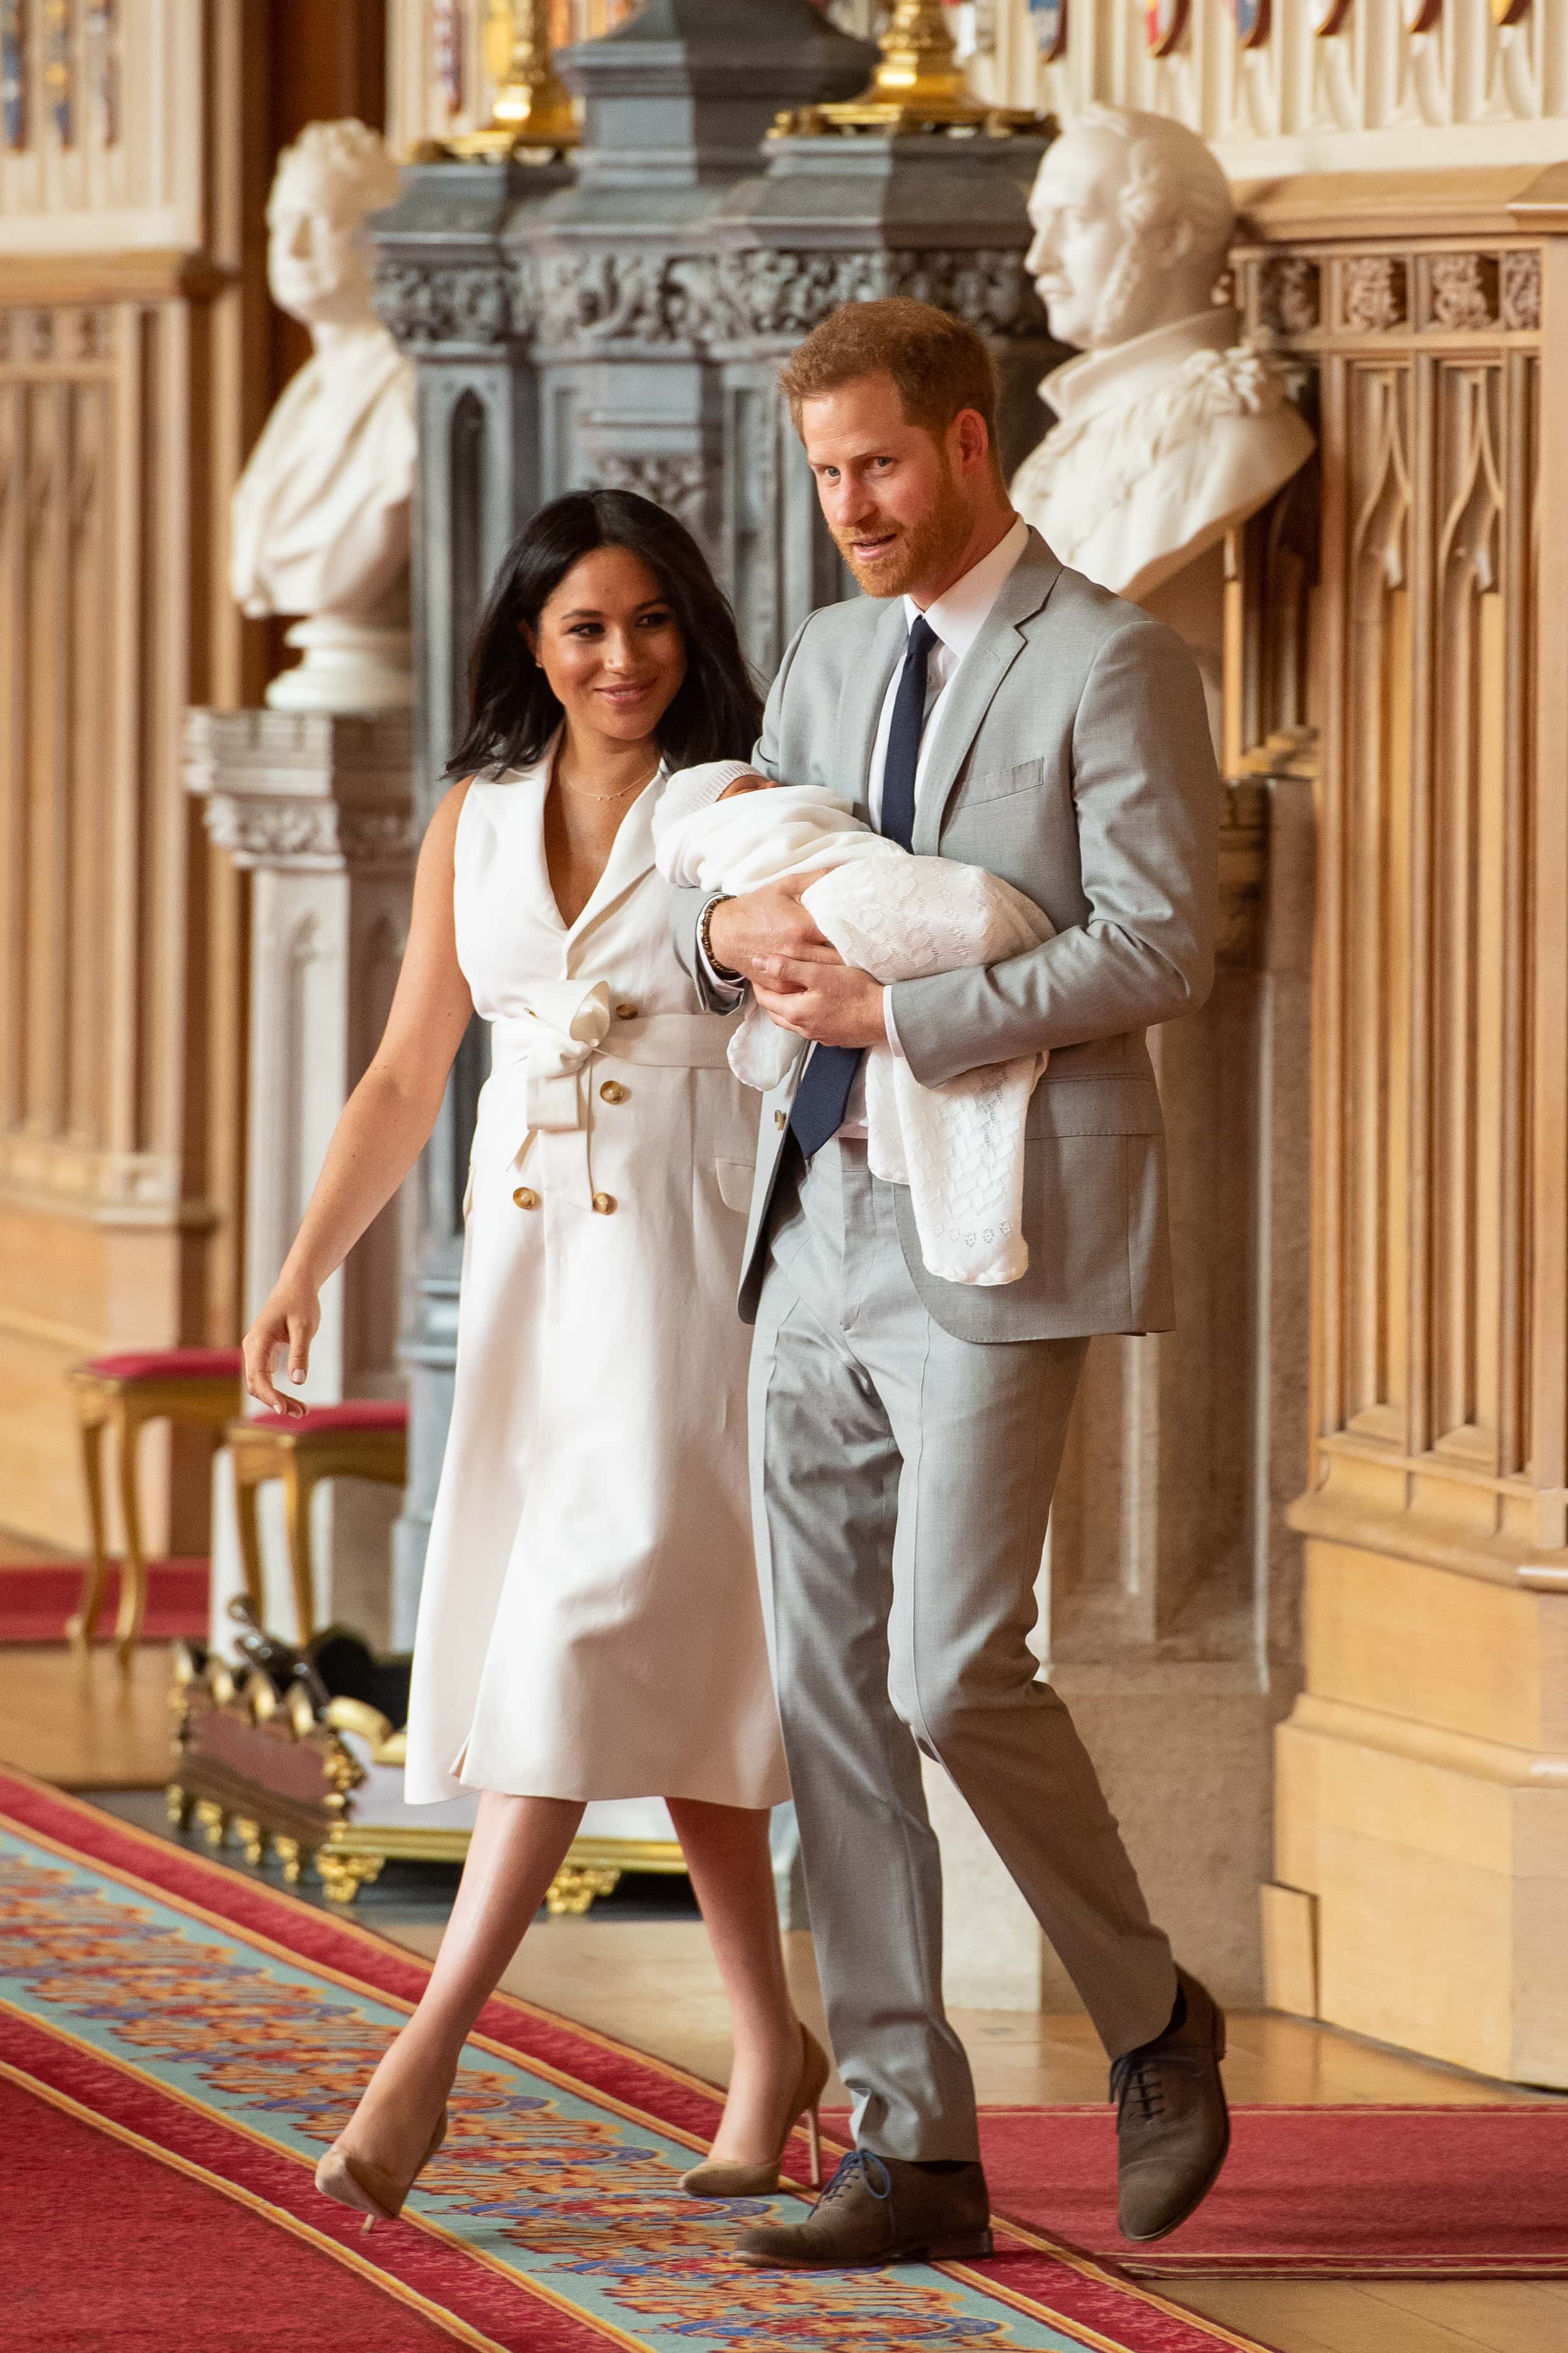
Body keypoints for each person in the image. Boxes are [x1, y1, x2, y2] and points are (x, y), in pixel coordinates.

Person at [674, 297, 1229, 2267]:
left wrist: (914, 1015)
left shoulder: (1116, 661)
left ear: (973, 444)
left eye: (882, 468)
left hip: (998, 1227)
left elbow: (1163, 947)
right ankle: (911, 2142)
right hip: (811, 1215)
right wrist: (723, 928)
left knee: (942, 1668)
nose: (853, 509)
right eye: (828, 477)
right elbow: (736, 870)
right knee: (825, 1698)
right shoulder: (828, 653)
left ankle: (1155, 2019)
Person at [242, 488, 824, 2230]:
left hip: (684, 1275)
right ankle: (771, 2051)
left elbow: (805, 996)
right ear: (528, 645)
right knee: (657, 1660)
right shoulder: (476, 818)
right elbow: (411, 1069)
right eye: (585, 627)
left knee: (586, 1639)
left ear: (689, 635)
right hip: (526, 1279)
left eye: (651, 623)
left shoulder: (729, 809)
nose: (624, 656)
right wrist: (301, 1269)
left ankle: (422, 2056)